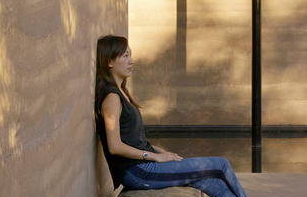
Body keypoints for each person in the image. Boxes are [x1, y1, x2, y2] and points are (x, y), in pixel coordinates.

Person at [95, 35, 249, 196]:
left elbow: (136, 142)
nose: (131, 61)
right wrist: (155, 157)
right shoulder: (111, 97)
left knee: (211, 181)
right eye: (125, 56)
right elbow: (115, 146)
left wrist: (163, 153)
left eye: (130, 55)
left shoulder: (122, 93)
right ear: (109, 62)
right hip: (137, 171)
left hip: (142, 167)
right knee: (221, 164)